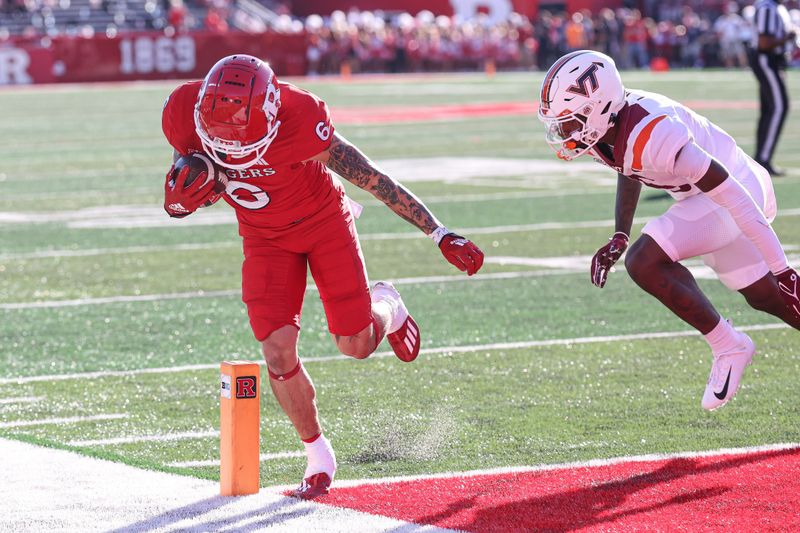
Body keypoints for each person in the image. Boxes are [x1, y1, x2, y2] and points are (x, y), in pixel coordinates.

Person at [161, 54, 484, 498]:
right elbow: (193, 173)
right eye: (221, 139)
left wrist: (439, 232)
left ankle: (387, 305)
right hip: (264, 236)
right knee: (275, 350)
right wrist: (185, 191)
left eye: (243, 138)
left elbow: (372, 178)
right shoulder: (183, 110)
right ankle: (318, 457)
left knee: (354, 344)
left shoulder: (301, 118)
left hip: (324, 223)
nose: (232, 147)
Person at [537, 50, 800, 411]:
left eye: (570, 121)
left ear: (597, 107)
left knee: (644, 261)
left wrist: (783, 267)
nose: (564, 132)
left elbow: (734, 198)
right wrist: (620, 234)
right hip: (703, 200)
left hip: (736, 190)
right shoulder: (608, 127)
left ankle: (728, 344)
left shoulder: (656, 131)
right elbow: (628, 167)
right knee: (768, 298)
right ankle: (732, 344)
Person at [748, 0, 797, 176]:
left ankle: (761, 158)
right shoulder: (767, 8)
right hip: (766, 59)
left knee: (770, 109)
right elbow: (764, 43)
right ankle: (763, 159)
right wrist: (787, 37)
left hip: (774, 61)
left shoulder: (777, 7)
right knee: (779, 107)